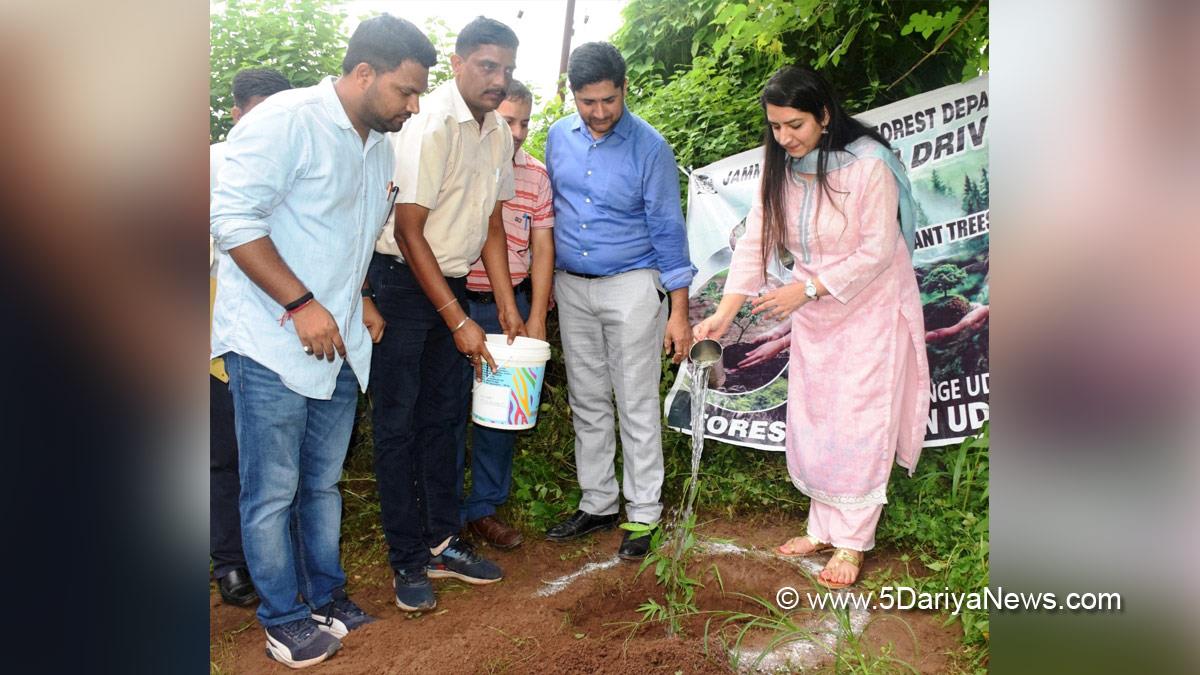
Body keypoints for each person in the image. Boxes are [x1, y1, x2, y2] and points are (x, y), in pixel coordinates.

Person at [210, 15, 435, 668]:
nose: (413, 105)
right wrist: (301, 302)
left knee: (322, 484)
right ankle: (283, 618)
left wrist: (357, 296)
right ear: (363, 73)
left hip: (338, 342)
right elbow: (232, 219)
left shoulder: (377, 144)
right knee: (272, 490)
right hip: (273, 339)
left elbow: (344, 233)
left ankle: (325, 596)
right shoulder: (287, 120)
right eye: (405, 90)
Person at [694, 65, 931, 589]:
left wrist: (804, 290)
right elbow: (755, 245)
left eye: (795, 125)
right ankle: (822, 526)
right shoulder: (780, 166)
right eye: (776, 126)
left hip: (868, 306)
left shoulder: (868, 166)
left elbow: (876, 250)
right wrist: (722, 315)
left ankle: (853, 541)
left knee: (861, 419)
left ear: (824, 116)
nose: (785, 137)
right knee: (819, 417)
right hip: (817, 313)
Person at [368, 16, 524, 613]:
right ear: (458, 63)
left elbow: (490, 224)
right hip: (403, 283)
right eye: (487, 66)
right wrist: (459, 320)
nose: (498, 79)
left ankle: (441, 542)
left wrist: (505, 305)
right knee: (398, 425)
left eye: (506, 69)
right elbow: (409, 231)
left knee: (445, 420)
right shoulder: (430, 122)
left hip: (450, 282)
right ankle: (407, 559)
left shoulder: (495, 133)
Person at [542, 42, 694, 561]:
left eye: (609, 99)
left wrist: (679, 311)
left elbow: (669, 233)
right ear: (574, 96)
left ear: (625, 88)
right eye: (588, 102)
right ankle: (599, 500)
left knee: (635, 400)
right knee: (586, 397)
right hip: (572, 285)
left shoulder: (650, 147)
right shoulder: (557, 137)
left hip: (632, 284)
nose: (600, 112)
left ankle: (644, 511)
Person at [456, 78, 555, 550]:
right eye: (507, 120)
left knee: (500, 413)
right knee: (449, 410)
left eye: (525, 122)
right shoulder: (462, 160)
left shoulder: (535, 175)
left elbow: (542, 245)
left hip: (509, 311)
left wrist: (535, 314)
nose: (516, 131)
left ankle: (484, 509)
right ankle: (443, 511)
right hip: (455, 302)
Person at [209, 67, 291, 609]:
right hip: (218, 315)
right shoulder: (212, 161)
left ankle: (273, 559)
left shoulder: (295, 157)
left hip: (281, 319)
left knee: (270, 453)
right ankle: (231, 561)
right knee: (222, 450)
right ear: (238, 113)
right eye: (257, 112)